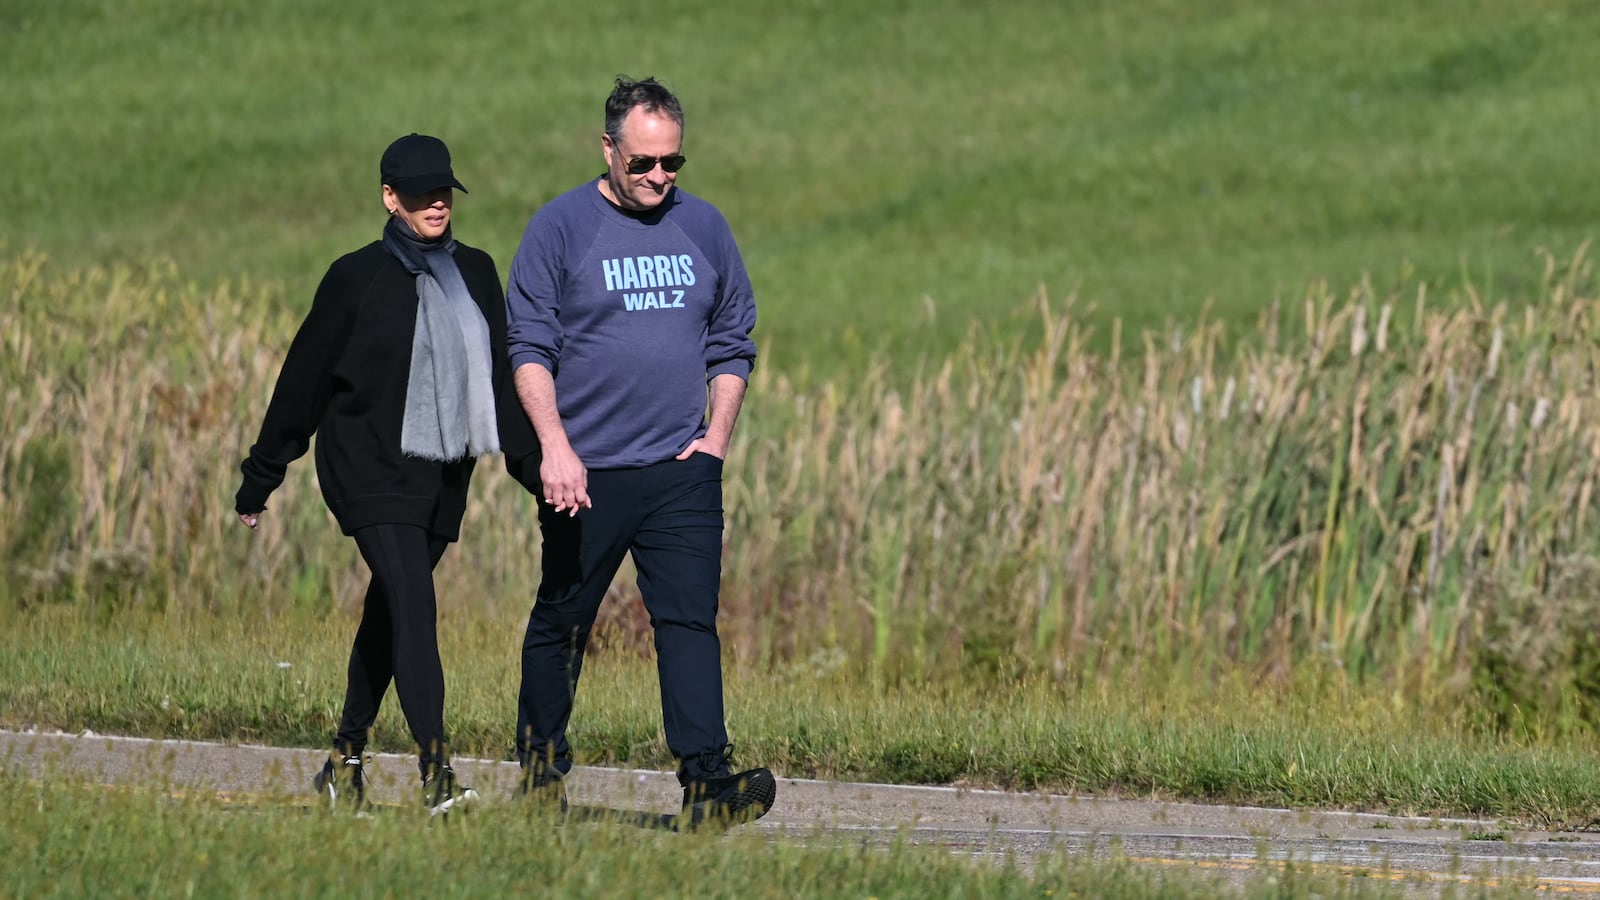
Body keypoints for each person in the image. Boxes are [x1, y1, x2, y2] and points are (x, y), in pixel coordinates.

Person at [504, 75, 775, 825]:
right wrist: (554, 449)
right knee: (562, 622)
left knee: (688, 622)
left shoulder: (705, 228)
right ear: (608, 149)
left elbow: (732, 340)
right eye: (644, 162)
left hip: (681, 472)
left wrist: (715, 441)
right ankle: (539, 779)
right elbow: (527, 347)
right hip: (585, 472)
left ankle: (708, 783)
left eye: (672, 163)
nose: (659, 176)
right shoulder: (561, 229)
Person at [235, 133, 528, 816]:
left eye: (443, 192)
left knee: (391, 610)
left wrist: (539, 475)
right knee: (415, 603)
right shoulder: (354, 277)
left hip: (439, 476)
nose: (435, 204)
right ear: (389, 198)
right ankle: (437, 775)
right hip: (366, 464)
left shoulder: (477, 273)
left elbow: (501, 384)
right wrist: (263, 474)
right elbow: (303, 380)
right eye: (419, 193)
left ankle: (343, 761)